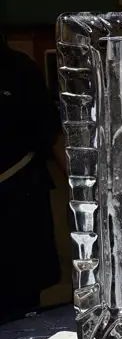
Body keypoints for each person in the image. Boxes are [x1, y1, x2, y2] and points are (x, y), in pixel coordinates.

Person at [0, 35, 66, 322]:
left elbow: (52, 134)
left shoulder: (18, 69)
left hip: (17, 200)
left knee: (19, 304)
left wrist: (91, 192)